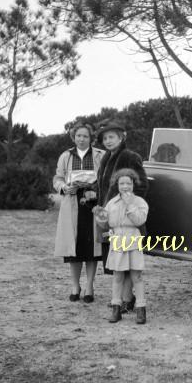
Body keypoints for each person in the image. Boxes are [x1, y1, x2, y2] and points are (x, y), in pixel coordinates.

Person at [95, 121, 148, 311]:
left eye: (111, 137)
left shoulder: (130, 156)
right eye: (105, 138)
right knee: (117, 261)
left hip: (129, 220)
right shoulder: (105, 158)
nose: (108, 141)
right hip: (111, 219)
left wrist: (129, 204)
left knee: (128, 260)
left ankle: (126, 299)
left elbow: (141, 185)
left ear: (121, 137)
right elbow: (103, 186)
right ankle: (124, 297)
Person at [53, 121, 105, 302]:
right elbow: (58, 178)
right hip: (72, 204)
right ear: (73, 137)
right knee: (73, 248)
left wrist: (95, 189)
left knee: (92, 248)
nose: (81, 139)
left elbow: (105, 178)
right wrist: (63, 187)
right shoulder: (65, 156)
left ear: (91, 138)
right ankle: (75, 285)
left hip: (93, 204)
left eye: (85, 136)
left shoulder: (100, 155)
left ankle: (90, 286)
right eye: (78, 136)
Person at [94, 168, 149, 324]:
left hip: (133, 240)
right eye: (121, 183)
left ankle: (141, 309)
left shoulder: (140, 202)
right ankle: (116, 309)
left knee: (136, 276)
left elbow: (139, 220)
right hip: (118, 240)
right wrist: (100, 216)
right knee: (117, 276)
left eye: (128, 183)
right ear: (117, 185)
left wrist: (129, 204)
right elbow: (107, 224)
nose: (125, 186)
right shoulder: (112, 202)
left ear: (133, 184)